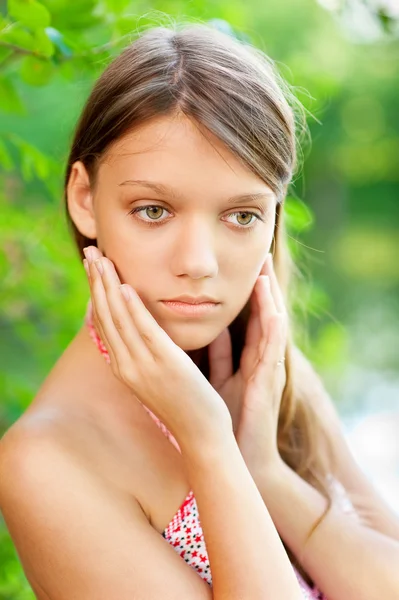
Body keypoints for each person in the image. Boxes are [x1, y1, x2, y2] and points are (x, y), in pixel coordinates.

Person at [0, 21, 399, 600]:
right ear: (85, 199)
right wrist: (209, 439)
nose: (199, 264)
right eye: (154, 210)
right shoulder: (46, 463)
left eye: (241, 216)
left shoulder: (256, 365)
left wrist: (267, 474)